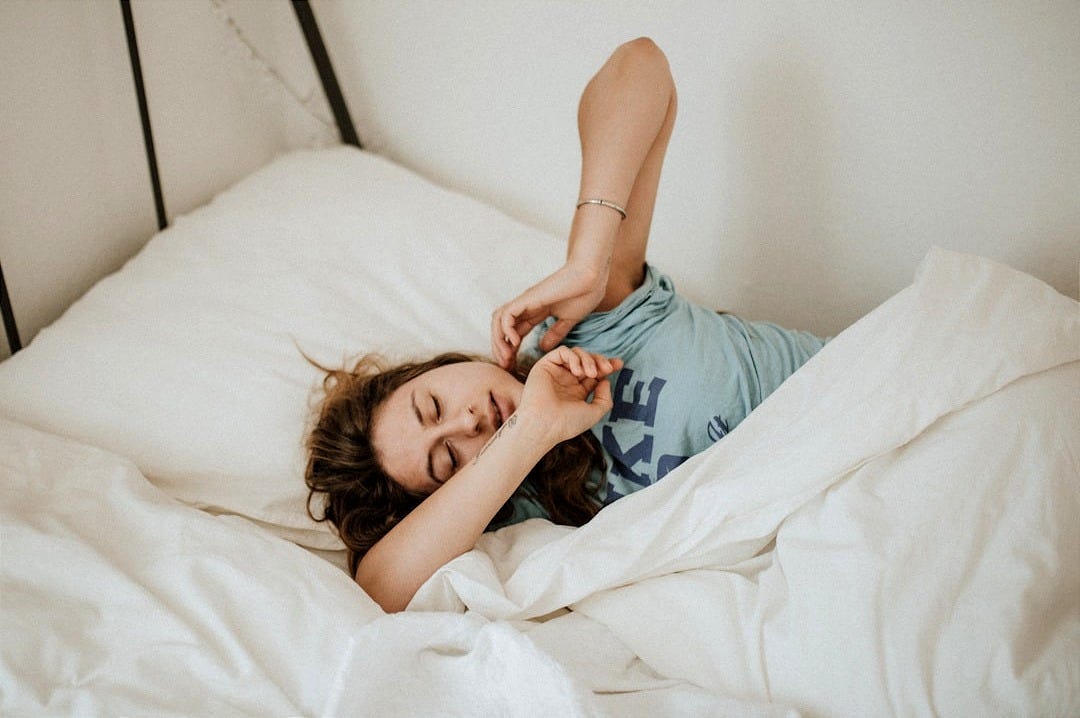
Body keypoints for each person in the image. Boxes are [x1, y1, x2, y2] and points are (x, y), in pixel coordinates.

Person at [305, 38, 826, 613]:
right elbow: (381, 589)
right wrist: (530, 432)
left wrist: (588, 259)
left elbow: (642, 67)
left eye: (434, 405)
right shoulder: (531, 515)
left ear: (443, 367)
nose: (468, 421)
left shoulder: (592, 326)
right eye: (449, 458)